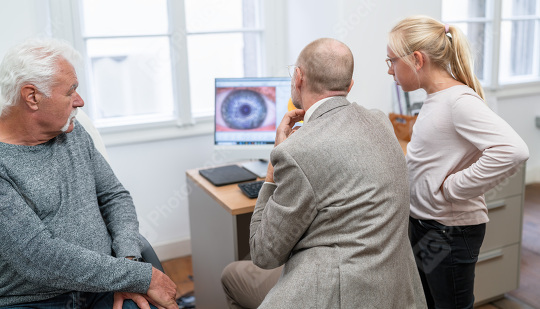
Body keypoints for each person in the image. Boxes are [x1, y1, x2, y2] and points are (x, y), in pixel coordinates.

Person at [221, 38, 427, 308]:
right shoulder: (381, 122)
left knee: (231, 276)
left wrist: (273, 169)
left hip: (337, 295)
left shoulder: (296, 151)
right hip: (396, 290)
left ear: (298, 78)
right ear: (349, 86)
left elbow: (263, 254)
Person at [0, 38, 178, 309]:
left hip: (105, 284)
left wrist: (128, 263)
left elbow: (114, 196)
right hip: (35, 300)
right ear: (32, 96)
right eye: (71, 91)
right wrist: (138, 277)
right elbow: (37, 257)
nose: (80, 101)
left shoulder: (71, 131)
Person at [386, 15, 530, 309]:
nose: (389, 70)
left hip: (448, 232)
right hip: (426, 223)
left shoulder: (458, 102)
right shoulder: (435, 98)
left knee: (450, 305)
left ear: (416, 59)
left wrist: (453, 188)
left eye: (391, 61)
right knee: (427, 300)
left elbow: (513, 150)